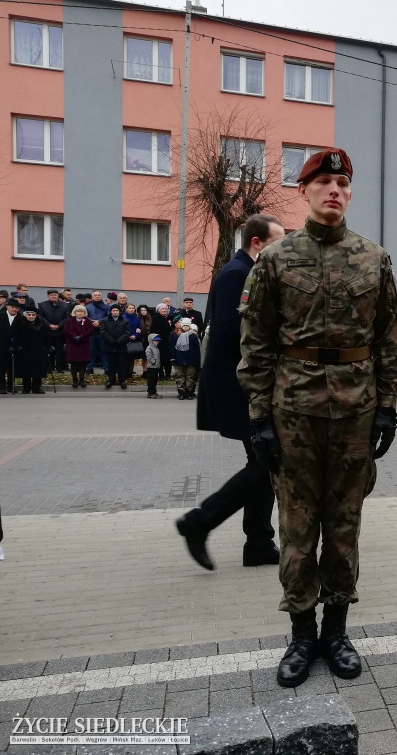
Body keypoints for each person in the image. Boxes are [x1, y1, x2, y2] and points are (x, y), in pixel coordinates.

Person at [237, 148, 397, 687]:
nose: (334, 190)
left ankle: (337, 631)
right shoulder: (276, 260)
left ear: (349, 193)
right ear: (305, 191)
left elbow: (388, 339)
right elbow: (256, 342)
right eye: (324, 181)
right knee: (297, 527)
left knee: (346, 526)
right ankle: (302, 635)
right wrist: (258, 416)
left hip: (355, 413)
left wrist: (386, 408)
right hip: (294, 412)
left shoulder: (373, 259)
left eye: (342, 183)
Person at [180, 215, 285, 571]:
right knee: (267, 462)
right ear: (258, 243)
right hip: (237, 384)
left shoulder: (248, 271)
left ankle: (258, 543)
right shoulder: (237, 274)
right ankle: (199, 522)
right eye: (278, 242)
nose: (283, 250)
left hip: (245, 382)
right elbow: (227, 329)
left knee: (264, 461)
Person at [13, 306, 49, 393]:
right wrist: (17, 345)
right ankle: (26, 387)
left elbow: (46, 336)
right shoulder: (20, 323)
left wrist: (48, 346)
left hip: (38, 350)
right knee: (26, 369)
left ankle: (36, 387)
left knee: (38, 369)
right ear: (25, 315)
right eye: (29, 314)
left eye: (33, 315)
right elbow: (15, 335)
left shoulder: (40, 323)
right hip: (25, 350)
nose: (31, 316)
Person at [99, 305, 131, 389]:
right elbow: (103, 331)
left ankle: (122, 381)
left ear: (119, 311)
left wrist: (119, 341)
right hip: (110, 345)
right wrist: (111, 340)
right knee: (111, 365)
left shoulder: (125, 321)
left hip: (121, 346)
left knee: (121, 365)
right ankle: (111, 380)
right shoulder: (105, 320)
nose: (115, 312)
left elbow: (127, 332)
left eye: (116, 310)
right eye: (113, 310)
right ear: (110, 311)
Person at [38, 289, 70, 373]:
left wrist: (59, 325)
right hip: (47, 332)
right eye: (51, 295)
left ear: (58, 296)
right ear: (48, 296)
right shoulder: (42, 305)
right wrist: (49, 325)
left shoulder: (65, 305)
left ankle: (59, 368)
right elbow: (40, 317)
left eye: (55, 295)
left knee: (59, 351)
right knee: (48, 350)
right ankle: (49, 367)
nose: (53, 296)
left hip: (60, 332)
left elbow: (67, 317)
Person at [63, 305, 94, 388]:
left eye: (82, 311)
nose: (80, 313)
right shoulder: (70, 320)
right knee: (73, 364)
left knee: (82, 364)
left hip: (83, 344)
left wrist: (81, 337)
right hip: (72, 344)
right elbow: (66, 330)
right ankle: (74, 380)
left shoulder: (87, 321)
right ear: (75, 312)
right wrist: (74, 337)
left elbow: (90, 331)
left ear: (84, 313)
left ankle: (82, 380)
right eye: (78, 311)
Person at [172, 318, 201, 400]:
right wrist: (173, 358)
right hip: (179, 360)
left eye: (187, 326)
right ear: (181, 326)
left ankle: (189, 392)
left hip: (191, 360)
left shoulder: (193, 336)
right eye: (184, 325)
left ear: (189, 327)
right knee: (180, 377)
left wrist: (197, 360)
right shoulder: (177, 336)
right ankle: (181, 392)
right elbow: (174, 348)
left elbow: (196, 350)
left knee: (190, 377)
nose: (185, 327)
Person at [85, 290, 108, 374]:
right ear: (92, 297)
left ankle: (106, 368)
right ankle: (89, 368)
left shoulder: (106, 307)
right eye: (95, 295)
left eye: (99, 295)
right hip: (91, 332)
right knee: (91, 350)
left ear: (101, 297)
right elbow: (85, 317)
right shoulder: (87, 307)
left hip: (102, 331)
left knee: (104, 350)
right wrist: (92, 322)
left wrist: (99, 322)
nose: (97, 296)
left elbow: (108, 317)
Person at [1, 300, 20, 394]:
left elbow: (22, 334)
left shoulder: (20, 318)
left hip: (14, 347)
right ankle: (2, 387)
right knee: (1, 367)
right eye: (12, 307)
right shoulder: (1, 316)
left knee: (12, 367)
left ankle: (11, 386)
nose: (14, 309)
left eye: (16, 308)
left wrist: (16, 345)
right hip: (1, 346)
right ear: (7, 307)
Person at [150, 304, 173, 380]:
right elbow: (153, 331)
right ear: (158, 310)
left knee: (168, 360)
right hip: (159, 342)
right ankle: (161, 375)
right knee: (160, 359)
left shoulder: (170, 318)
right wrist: (155, 340)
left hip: (169, 342)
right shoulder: (156, 318)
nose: (164, 310)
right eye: (162, 309)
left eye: (165, 309)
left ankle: (168, 374)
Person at [124, 304, 144, 376]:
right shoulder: (123, 318)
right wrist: (129, 335)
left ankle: (130, 372)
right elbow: (121, 329)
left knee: (132, 357)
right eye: (130, 308)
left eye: (133, 308)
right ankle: (124, 373)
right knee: (125, 358)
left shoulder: (137, 318)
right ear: (126, 309)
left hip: (134, 340)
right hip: (125, 339)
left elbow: (139, 329)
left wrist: (135, 335)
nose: (131, 309)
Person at [145, 334, 162, 399]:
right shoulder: (149, 348)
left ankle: (150, 392)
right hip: (151, 367)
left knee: (154, 380)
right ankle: (153, 392)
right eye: (155, 340)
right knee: (151, 380)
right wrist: (154, 362)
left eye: (157, 341)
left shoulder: (156, 348)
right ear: (151, 341)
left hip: (155, 367)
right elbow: (149, 356)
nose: (157, 342)